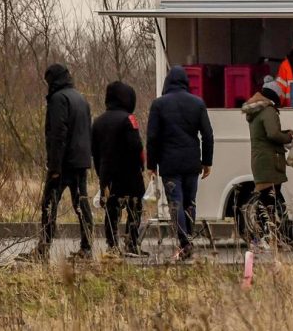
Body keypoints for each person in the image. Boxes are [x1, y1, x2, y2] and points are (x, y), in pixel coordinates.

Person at [17, 64, 93, 262]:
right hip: (80, 161)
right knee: (81, 205)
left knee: (49, 205)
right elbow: (86, 131)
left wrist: (54, 167)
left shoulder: (58, 99)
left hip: (64, 163)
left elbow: (58, 134)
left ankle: (44, 248)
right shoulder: (80, 98)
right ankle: (87, 248)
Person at [147, 66, 214, 261]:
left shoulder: (159, 105)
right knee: (189, 203)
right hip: (192, 162)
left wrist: (152, 164)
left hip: (169, 163)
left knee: (175, 204)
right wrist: (207, 161)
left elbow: (152, 137)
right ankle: (187, 240)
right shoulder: (197, 103)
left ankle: (184, 244)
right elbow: (208, 135)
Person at [92, 81, 148, 258]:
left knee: (111, 210)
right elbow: (136, 146)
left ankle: (112, 245)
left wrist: (101, 174)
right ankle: (131, 243)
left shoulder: (98, 122)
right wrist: (142, 166)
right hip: (130, 173)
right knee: (134, 208)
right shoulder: (128, 119)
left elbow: (94, 152)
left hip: (107, 174)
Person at [241, 77, 293, 248]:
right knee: (271, 201)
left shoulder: (257, 111)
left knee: (267, 200)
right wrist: (288, 137)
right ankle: (268, 237)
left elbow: (267, 133)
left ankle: (265, 237)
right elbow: (272, 134)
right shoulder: (268, 110)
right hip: (269, 161)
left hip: (261, 161)